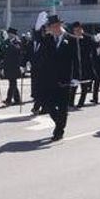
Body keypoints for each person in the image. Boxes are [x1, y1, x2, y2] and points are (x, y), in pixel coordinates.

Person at [33, 12, 77, 141]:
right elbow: (37, 38)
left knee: (63, 107)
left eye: (54, 26)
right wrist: (37, 28)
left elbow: (76, 59)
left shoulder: (71, 39)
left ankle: (59, 131)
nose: (52, 29)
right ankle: (59, 123)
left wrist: (76, 77)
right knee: (49, 105)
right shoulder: (48, 38)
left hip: (65, 79)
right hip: (50, 78)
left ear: (60, 25)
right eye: (50, 27)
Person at [69, 22, 97, 108]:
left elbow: (94, 47)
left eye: (78, 30)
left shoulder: (87, 38)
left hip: (85, 65)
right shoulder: (71, 39)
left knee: (84, 86)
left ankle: (81, 103)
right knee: (73, 85)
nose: (76, 32)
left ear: (81, 29)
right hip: (75, 66)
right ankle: (70, 102)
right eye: (75, 30)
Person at [0, 28, 24, 106]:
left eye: (10, 34)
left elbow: (19, 51)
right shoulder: (6, 42)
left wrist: (22, 65)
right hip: (7, 66)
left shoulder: (18, 42)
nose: (9, 35)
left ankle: (8, 100)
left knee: (12, 83)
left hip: (15, 66)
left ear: (14, 34)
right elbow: (2, 54)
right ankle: (17, 99)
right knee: (13, 83)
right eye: (8, 33)